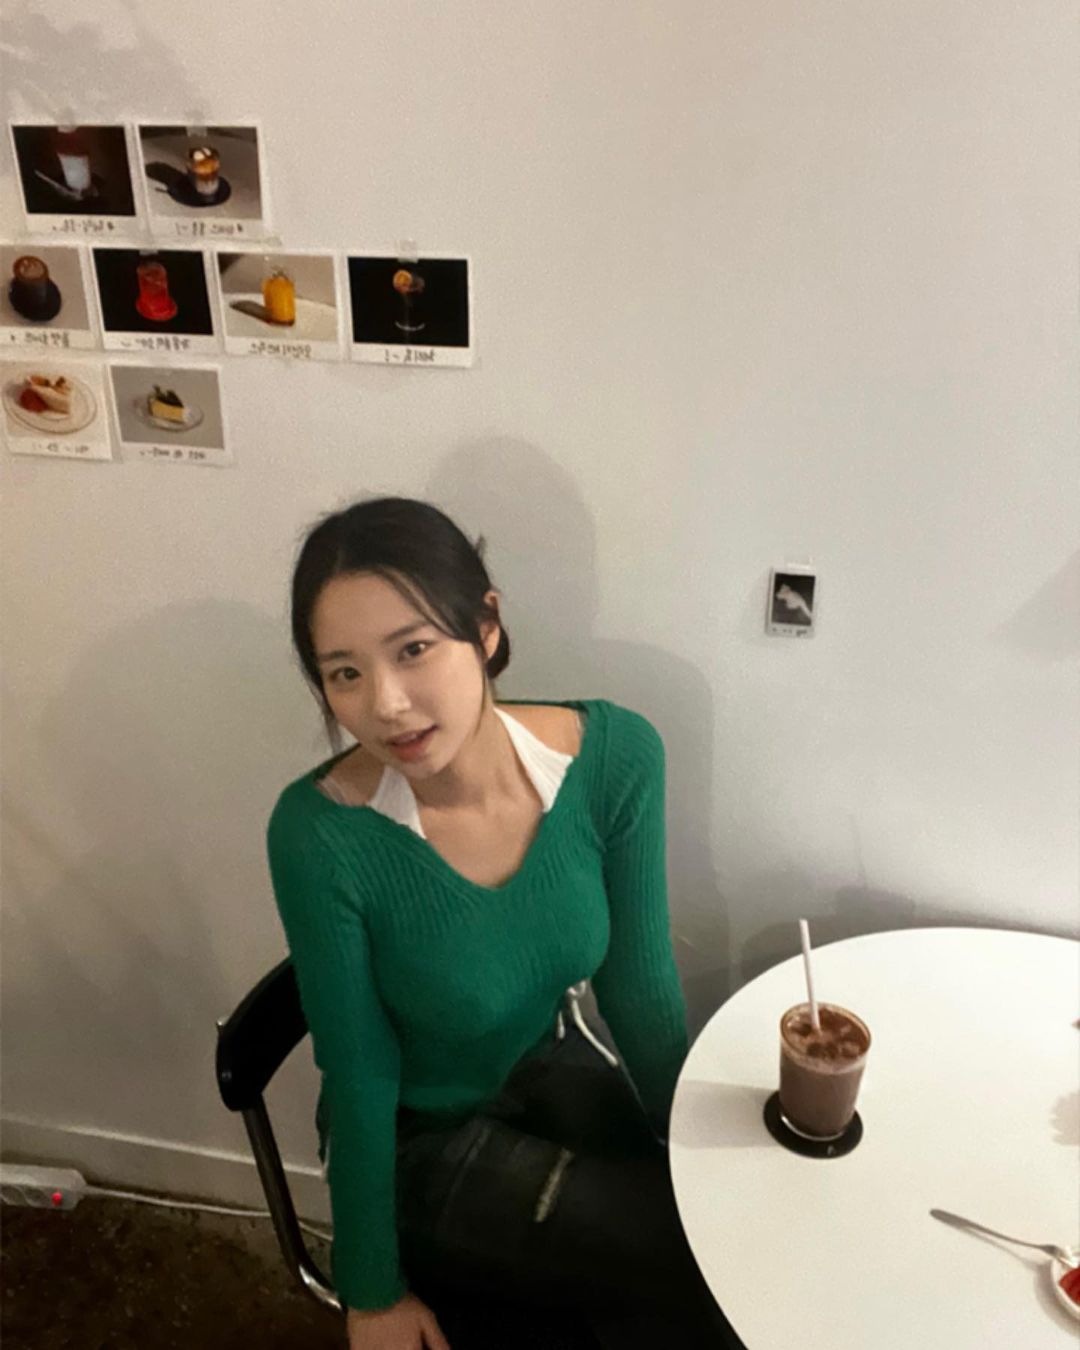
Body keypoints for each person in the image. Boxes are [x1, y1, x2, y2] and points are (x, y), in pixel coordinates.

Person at [266, 496, 742, 1349]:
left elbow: (637, 984)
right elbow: (360, 1069)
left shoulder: (615, 759)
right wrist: (370, 1292)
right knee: (680, 1263)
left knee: (725, 1232)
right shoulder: (320, 835)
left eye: (413, 649)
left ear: (485, 626)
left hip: (543, 1065)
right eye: (344, 674)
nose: (387, 704)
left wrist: (704, 1152)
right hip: (418, 1135)